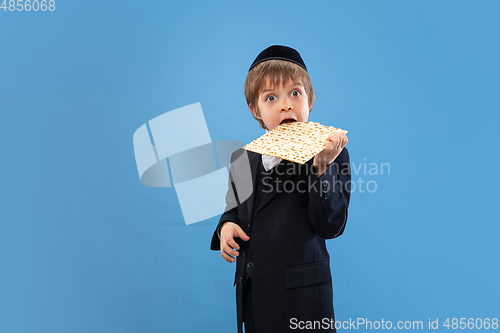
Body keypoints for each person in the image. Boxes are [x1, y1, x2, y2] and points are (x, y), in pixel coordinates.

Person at [210, 45, 351, 333]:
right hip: (254, 296)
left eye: (295, 93)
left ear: (309, 101)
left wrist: (320, 170)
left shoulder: (329, 152)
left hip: (303, 301)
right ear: (255, 110)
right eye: (271, 97)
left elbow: (331, 226)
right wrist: (226, 226)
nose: (285, 104)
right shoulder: (242, 158)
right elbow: (234, 209)